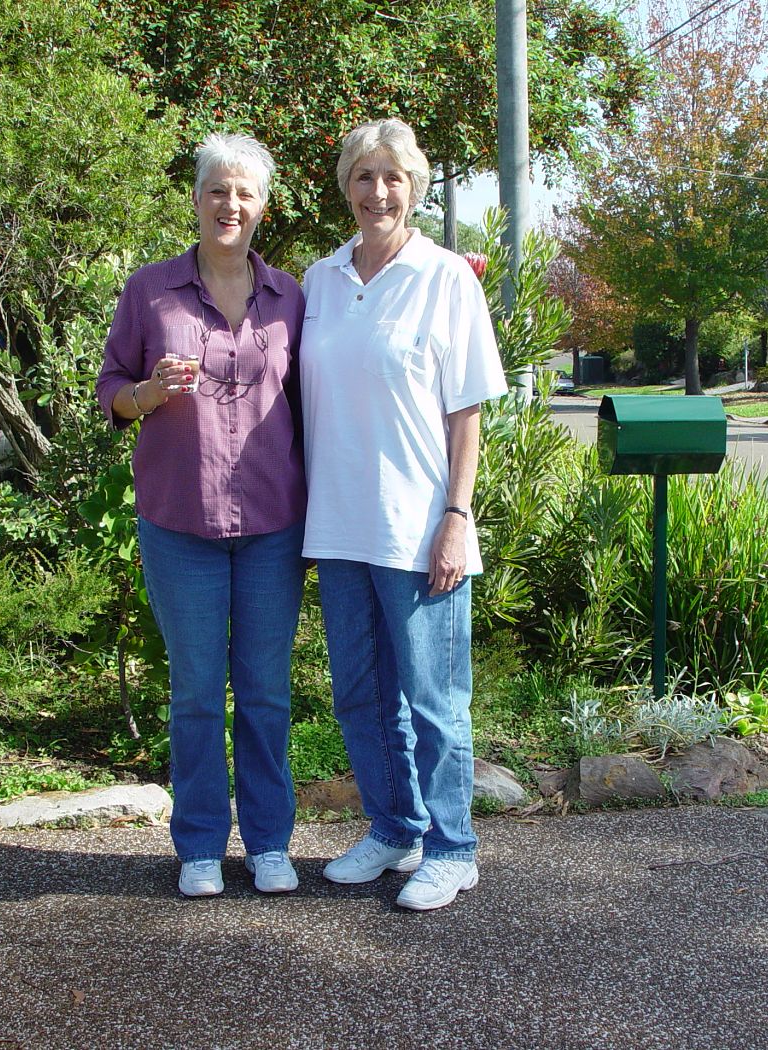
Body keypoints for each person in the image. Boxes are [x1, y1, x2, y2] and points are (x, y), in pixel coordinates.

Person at [299, 118, 507, 912]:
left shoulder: (446, 277)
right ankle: (395, 830)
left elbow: (467, 411)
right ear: (346, 187)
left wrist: (457, 514)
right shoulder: (320, 280)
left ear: (414, 187)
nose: (378, 191)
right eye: (364, 176)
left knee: (435, 701)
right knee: (360, 694)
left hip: (419, 528)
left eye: (393, 177)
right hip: (338, 525)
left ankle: (454, 850)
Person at [96, 134, 306, 898]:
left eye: (245, 192)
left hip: (273, 524)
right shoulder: (150, 292)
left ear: (263, 207)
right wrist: (147, 394)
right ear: (196, 198)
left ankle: (270, 843)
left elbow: (315, 402)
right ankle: (199, 847)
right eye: (218, 189)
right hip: (180, 522)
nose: (230, 204)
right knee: (194, 693)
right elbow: (111, 388)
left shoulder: (290, 298)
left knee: (265, 692)